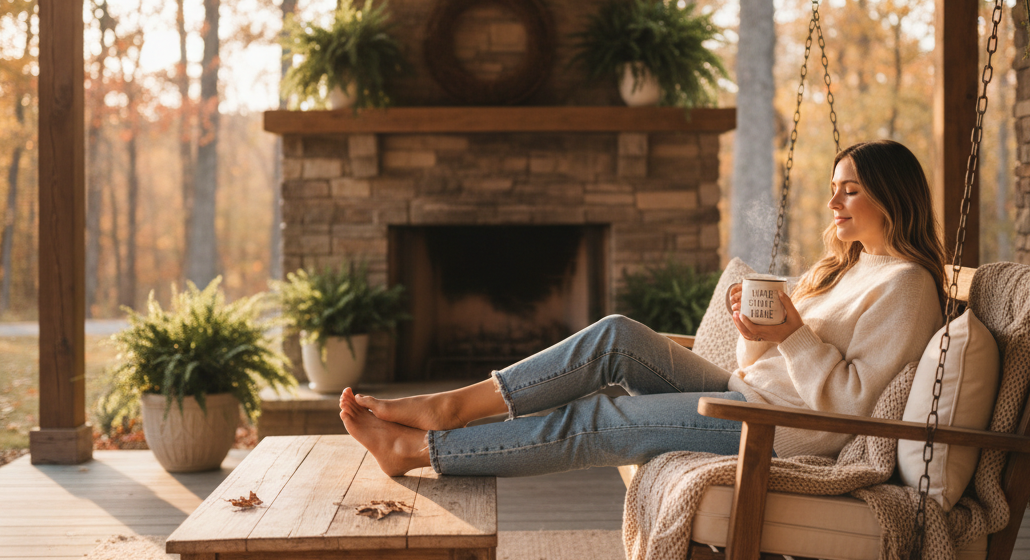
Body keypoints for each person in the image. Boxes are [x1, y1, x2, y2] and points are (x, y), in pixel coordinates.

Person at [339, 139, 948, 477]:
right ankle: (451, 407)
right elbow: (759, 364)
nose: (835, 203)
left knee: (598, 419)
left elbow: (851, 406)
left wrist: (790, 335)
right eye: (834, 189)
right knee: (616, 336)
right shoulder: (847, 268)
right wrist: (756, 329)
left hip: (777, 432)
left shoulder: (907, 286)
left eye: (851, 190)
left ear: (892, 197)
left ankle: (418, 450)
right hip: (747, 394)